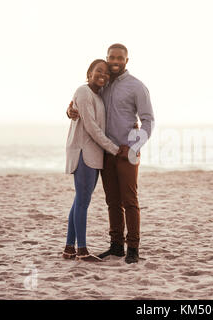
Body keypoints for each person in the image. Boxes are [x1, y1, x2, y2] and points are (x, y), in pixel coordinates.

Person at [67, 43, 154, 264]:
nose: (115, 62)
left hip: (128, 152)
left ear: (127, 60)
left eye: (119, 58)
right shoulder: (102, 84)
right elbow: (82, 103)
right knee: (112, 201)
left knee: (130, 201)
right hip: (106, 152)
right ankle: (116, 246)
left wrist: (135, 146)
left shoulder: (137, 87)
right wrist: (69, 110)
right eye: (111, 58)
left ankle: (132, 247)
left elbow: (147, 120)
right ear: (107, 58)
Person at [63, 59, 120, 262]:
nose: (102, 75)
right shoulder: (83, 91)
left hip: (94, 154)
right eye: (98, 71)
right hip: (83, 152)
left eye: (106, 73)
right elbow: (91, 127)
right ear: (89, 73)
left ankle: (69, 249)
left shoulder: (98, 95)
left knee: (80, 200)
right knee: (83, 202)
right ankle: (82, 251)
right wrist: (114, 149)